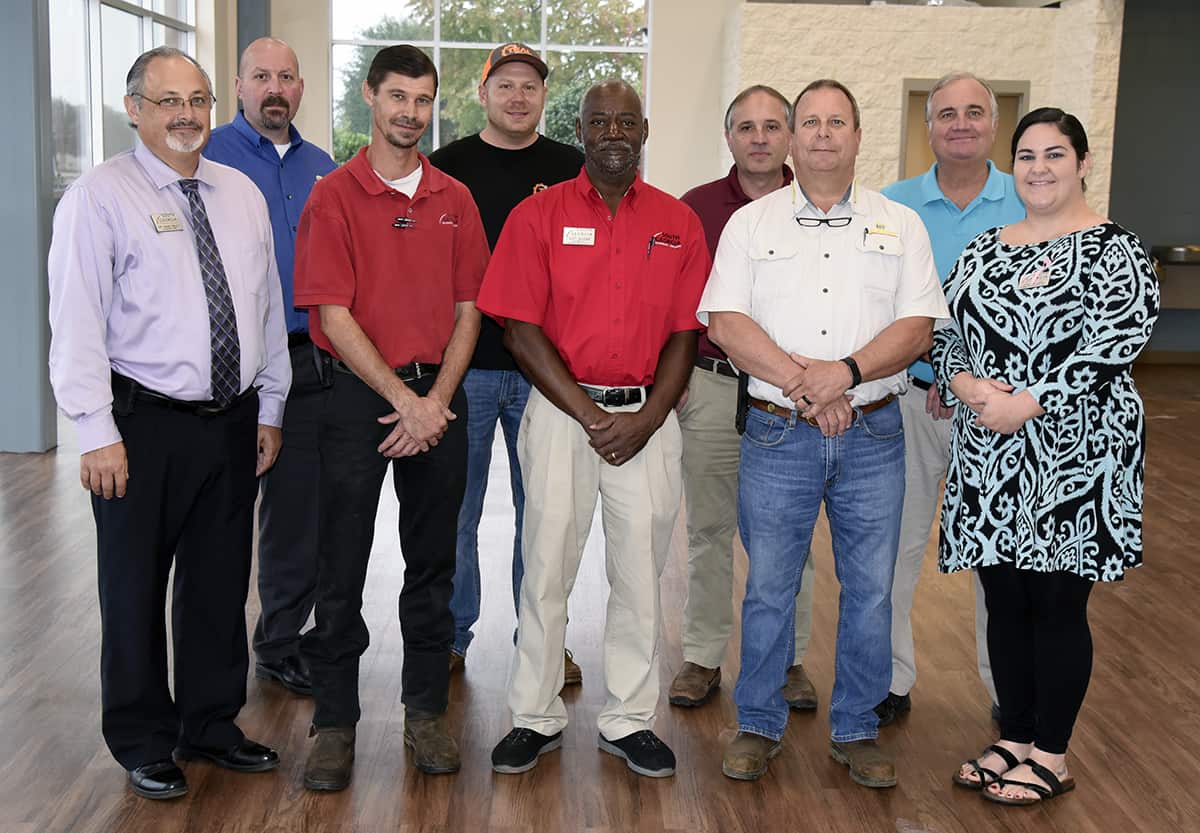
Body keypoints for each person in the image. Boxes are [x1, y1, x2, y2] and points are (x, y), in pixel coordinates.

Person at [47, 46, 290, 800]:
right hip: (141, 424)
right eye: (168, 101)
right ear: (135, 109)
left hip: (233, 419)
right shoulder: (98, 197)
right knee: (134, 587)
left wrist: (271, 403)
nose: (186, 115)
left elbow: (266, 307)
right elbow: (76, 319)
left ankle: (210, 723)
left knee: (220, 583)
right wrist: (94, 429)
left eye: (197, 100)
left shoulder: (240, 192)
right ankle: (144, 739)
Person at [699, 79, 947, 787]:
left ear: (859, 136)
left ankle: (858, 727)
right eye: (810, 122)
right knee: (769, 587)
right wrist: (808, 386)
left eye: (837, 122)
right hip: (779, 432)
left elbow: (917, 327)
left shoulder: (901, 224)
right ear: (792, 137)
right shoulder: (752, 225)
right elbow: (727, 324)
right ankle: (757, 722)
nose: (823, 134)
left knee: (870, 589)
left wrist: (846, 373)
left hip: (875, 434)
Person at [478, 80, 709, 778]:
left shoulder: (677, 221)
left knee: (640, 573)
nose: (614, 133)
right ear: (579, 131)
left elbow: (686, 333)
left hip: (648, 419)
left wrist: (646, 418)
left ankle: (629, 719)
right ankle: (534, 714)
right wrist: (590, 414)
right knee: (546, 567)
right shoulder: (537, 215)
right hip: (561, 417)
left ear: (645, 131)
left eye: (626, 122)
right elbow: (520, 330)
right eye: (599, 122)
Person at [937, 108, 1157, 806]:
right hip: (991, 449)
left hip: (1080, 452)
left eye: (1055, 154)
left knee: (1058, 602)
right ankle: (1015, 736)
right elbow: (945, 333)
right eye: (1027, 156)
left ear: (1083, 163)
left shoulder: (1118, 250)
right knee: (1005, 598)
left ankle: (1052, 755)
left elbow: (1116, 341)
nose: (1039, 168)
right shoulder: (985, 248)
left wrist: (1028, 403)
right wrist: (969, 386)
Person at [292, 45, 489, 789]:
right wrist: (403, 401)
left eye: (423, 99)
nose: (411, 112)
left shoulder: (455, 198)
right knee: (340, 565)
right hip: (355, 398)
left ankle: (426, 710)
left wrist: (434, 401)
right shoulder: (333, 196)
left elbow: (471, 309)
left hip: (440, 396)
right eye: (398, 96)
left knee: (433, 563)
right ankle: (334, 722)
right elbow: (331, 314)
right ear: (370, 98)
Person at [428, 43, 584, 682]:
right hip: (463, 369)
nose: (518, 97)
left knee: (543, 515)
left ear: (544, 96)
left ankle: (541, 640)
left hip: (543, 373)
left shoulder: (572, 168)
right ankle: (449, 636)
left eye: (530, 86)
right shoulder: (447, 166)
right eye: (505, 85)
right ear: (483, 93)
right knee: (456, 512)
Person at [877, 72, 1025, 726]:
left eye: (973, 112)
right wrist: (941, 371)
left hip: (1002, 413)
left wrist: (972, 383)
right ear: (928, 126)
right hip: (911, 401)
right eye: (946, 114)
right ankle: (889, 679)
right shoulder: (893, 207)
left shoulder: (1028, 199)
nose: (960, 124)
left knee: (1000, 556)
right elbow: (885, 305)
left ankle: (1008, 689)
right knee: (894, 549)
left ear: (993, 124)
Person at [670, 85, 819, 712]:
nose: (759, 138)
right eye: (746, 127)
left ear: (789, 135)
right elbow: (675, 303)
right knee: (708, 529)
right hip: (713, 387)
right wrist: (676, 382)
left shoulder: (817, 204)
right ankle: (703, 655)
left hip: (793, 395)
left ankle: (788, 660)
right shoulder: (696, 208)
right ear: (728, 137)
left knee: (788, 536)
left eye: (771, 126)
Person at [203, 36, 336, 698]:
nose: (274, 88)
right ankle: (208, 664)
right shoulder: (207, 157)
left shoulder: (323, 167)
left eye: (286, 76)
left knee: (295, 517)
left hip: (306, 360)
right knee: (220, 518)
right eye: (261, 76)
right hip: (227, 368)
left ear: (301, 87)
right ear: (238, 86)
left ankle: (280, 643)